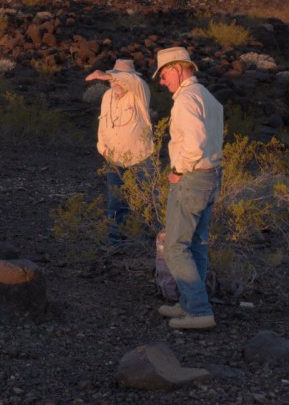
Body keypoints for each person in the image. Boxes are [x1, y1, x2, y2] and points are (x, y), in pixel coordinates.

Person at [153, 47, 223, 329]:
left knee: (175, 247)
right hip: (211, 175)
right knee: (197, 245)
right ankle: (189, 303)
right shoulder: (206, 95)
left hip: (192, 178)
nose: (161, 81)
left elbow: (194, 143)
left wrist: (178, 170)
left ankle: (198, 310)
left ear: (179, 68)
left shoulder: (185, 99)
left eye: (164, 73)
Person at [85, 59, 155, 245]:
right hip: (113, 158)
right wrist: (102, 148)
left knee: (147, 199)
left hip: (140, 156)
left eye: (119, 78)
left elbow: (131, 81)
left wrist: (106, 75)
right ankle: (116, 240)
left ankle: (149, 241)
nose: (116, 83)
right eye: (113, 79)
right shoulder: (107, 96)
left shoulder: (139, 91)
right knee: (116, 200)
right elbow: (103, 124)